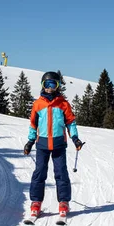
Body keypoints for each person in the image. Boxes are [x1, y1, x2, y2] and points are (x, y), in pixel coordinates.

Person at [23, 71, 84, 218]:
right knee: (39, 173)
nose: (50, 88)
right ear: (43, 85)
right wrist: (30, 141)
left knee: (61, 173)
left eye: (53, 84)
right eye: (47, 84)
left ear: (58, 86)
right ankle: (36, 202)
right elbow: (33, 124)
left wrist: (75, 138)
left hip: (58, 145)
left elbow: (71, 122)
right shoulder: (38, 104)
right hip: (42, 145)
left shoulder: (63, 104)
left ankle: (63, 202)